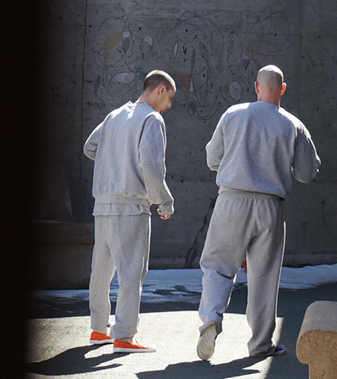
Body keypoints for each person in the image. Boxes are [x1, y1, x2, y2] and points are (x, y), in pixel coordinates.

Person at [196, 64, 320, 361]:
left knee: (218, 265)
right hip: (270, 205)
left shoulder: (233, 114)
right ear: (283, 89)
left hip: (231, 199)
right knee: (264, 277)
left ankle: (211, 319)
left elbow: (213, 159)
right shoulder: (293, 125)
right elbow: (308, 173)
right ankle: (261, 344)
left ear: (256, 87)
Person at [82, 70, 177, 352]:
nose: (168, 105)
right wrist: (164, 201)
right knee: (131, 271)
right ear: (160, 90)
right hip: (131, 206)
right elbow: (151, 164)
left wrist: (114, 163)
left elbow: (90, 147)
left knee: (101, 270)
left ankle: (99, 329)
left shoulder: (114, 116)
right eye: (169, 98)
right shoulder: (151, 119)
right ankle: (124, 335)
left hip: (103, 204)